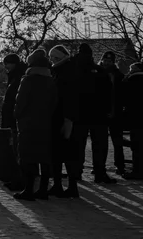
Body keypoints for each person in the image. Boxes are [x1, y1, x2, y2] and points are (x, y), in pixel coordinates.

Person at [13, 49, 58, 201]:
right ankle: (43, 189)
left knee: (28, 157)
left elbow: (20, 103)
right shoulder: (50, 80)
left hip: (28, 124)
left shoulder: (27, 80)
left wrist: (17, 115)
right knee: (44, 157)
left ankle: (29, 189)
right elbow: (53, 103)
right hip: (45, 123)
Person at [73, 44, 116, 184]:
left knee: (78, 144)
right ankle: (100, 173)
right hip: (99, 114)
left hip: (79, 113)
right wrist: (109, 110)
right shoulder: (100, 71)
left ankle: (76, 172)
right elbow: (109, 93)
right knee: (100, 145)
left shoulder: (73, 69)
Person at [48, 45, 82, 198]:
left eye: (55, 57)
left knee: (62, 153)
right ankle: (65, 185)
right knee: (64, 153)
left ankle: (63, 185)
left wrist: (68, 119)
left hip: (63, 117)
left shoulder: (65, 72)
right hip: (62, 116)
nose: (53, 60)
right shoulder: (64, 70)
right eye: (52, 57)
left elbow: (69, 97)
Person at [1, 53, 27, 191]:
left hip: (15, 118)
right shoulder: (16, 75)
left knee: (17, 149)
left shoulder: (18, 77)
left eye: (7, 63)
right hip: (14, 117)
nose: (5, 66)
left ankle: (18, 178)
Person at [99, 51, 127, 177]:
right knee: (102, 143)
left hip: (115, 112)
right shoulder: (100, 73)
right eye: (105, 60)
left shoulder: (118, 75)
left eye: (109, 61)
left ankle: (120, 166)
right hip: (104, 113)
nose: (106, 63)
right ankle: (100, 166)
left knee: (117, 142)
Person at [122, 62, 143, 179]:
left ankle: (137, 170)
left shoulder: (130, 81)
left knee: (136, 144)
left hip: (135, 117)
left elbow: (124, 98)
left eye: (131, 68)